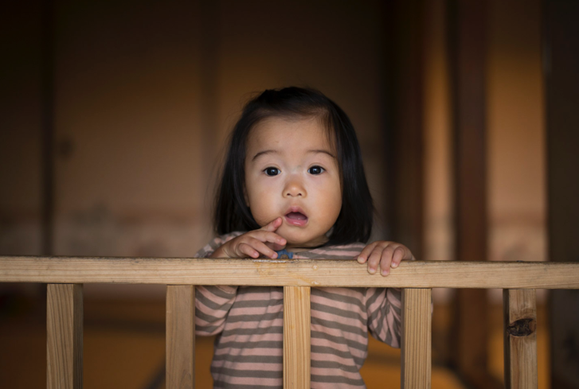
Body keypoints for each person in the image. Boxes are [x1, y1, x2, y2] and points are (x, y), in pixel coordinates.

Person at [194, 87, 415, 388]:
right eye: (272, 170)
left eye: (315, 168)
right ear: (245, 191)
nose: (294, 187)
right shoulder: (228, 251)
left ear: (345, 185)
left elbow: (402, 333)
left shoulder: (361, 262)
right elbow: (196, 321)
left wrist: (405, 274)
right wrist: (225, 264)